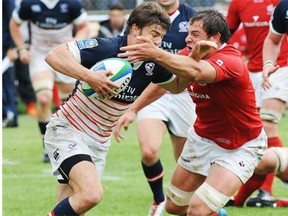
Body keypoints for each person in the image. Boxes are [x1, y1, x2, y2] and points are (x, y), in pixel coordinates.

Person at [115, 9, 267, 215]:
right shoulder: (187, 55)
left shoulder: (231, 60)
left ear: (214, 38)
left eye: (195, 34)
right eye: (188, 33)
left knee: (197, 209)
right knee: (174, 207)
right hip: (202, 139)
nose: (187, 38)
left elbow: (197, 72)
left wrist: (155, 53)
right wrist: (133, 109)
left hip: (240, 146)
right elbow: (167, 84)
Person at [44, 2, 178, 215]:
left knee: (73, 204)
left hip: (99, 142)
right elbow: (54, 55)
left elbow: (176, 86)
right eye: (153, 34)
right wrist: (90, 77)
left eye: (160, 37)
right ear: (135, 29)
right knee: (91, 194)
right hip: (68, 130)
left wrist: (192, 60)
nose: (157, 42)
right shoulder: (107, 48)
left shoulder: (154, 63)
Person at [133, 0, 197, 215]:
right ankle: (158, 199)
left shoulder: (193, 18)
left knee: (184, 161)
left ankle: (192, 204)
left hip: (183, 93)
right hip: (152, 90)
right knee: (149, 151)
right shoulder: (143, 16)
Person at [9, 0, 90, 162]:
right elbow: (14, 24)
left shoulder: (71, 3)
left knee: (70, 102)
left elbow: (84, 27)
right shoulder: (29, 3)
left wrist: (74, 44)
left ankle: (71, 143)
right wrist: (21, 48)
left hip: (65, 55)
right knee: (44, 98)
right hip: (40, 56)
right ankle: (47, 146)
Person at [226, 0, 288, 207]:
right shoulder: (239, 3)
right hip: (255, 70)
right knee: (256, 134)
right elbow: (224, 33)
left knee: (268, 126)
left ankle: (265, 190)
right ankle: (241, 199)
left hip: (284, 66)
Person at [3, 0, 18, 128]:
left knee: (6, 82)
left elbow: (13, 21)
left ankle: (10, 115)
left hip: (5, 48)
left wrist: (13, 46)